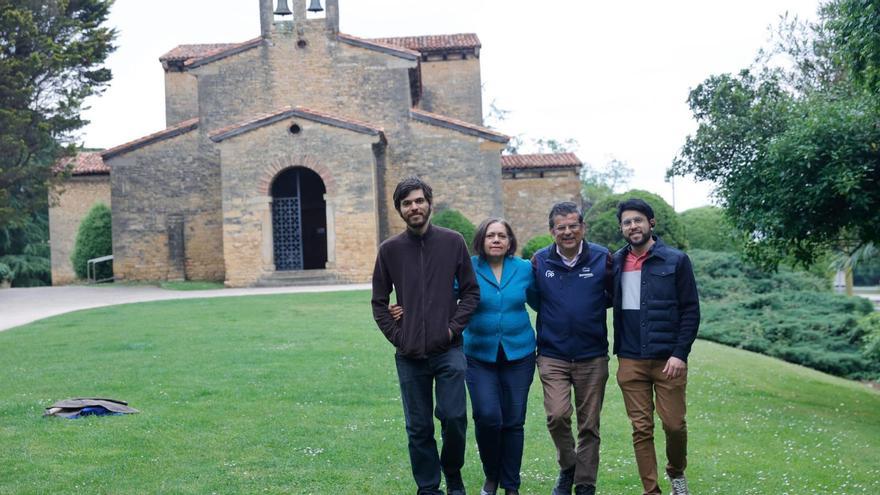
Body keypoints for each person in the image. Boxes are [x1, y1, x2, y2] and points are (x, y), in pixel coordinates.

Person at [390, 218, 537, 495]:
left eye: (502, 236)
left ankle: (511, 485)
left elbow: (540, 301)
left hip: (520, 353)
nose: (496, 240)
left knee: (514, 421)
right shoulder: (468, 266)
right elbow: (437, 297)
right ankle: (491, 475)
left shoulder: (525, 269)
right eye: (490, 235)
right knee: (488, 416)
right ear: (481, 240)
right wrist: (403, 309)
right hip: (478, 354)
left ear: (510, 241)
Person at [371, 177, 480, 495]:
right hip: (409, 355)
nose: (414, 207)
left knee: (455, 416)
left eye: (419, 200)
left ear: (429, 203)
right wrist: (398, 335)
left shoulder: (453, 241)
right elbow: (379, 302)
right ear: (400, 210)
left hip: (448, 349)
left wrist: (451, 328)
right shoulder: (389, 250)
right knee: (418, 427)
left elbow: (471, 292)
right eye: (407, 203)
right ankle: (428, 487)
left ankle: (453, 472)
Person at [611, 198, 700, 495]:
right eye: (626, 222)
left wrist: (680, 353)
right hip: (630, 359)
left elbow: (690, 310)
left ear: (651, 223)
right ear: (621, 228)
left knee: (674, 425)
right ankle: (651, 490)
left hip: (668, 361)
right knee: (641, 429)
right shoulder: (616, 263)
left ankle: (676, 472)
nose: (632, 226)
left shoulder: (676, 261)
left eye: (638, 220)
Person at [530, 202, 612, 495]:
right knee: (557, 415)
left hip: (592, 355)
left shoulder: (603, 258)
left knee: (589, 425)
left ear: (583, 228)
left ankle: (585, 484)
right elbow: (534, 299)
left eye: (573, 226)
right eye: (561, 227)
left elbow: (613, 296)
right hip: (553, 354)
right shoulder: (539, 262)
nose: (567, 232)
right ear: (552, 231)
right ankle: (568, 467)